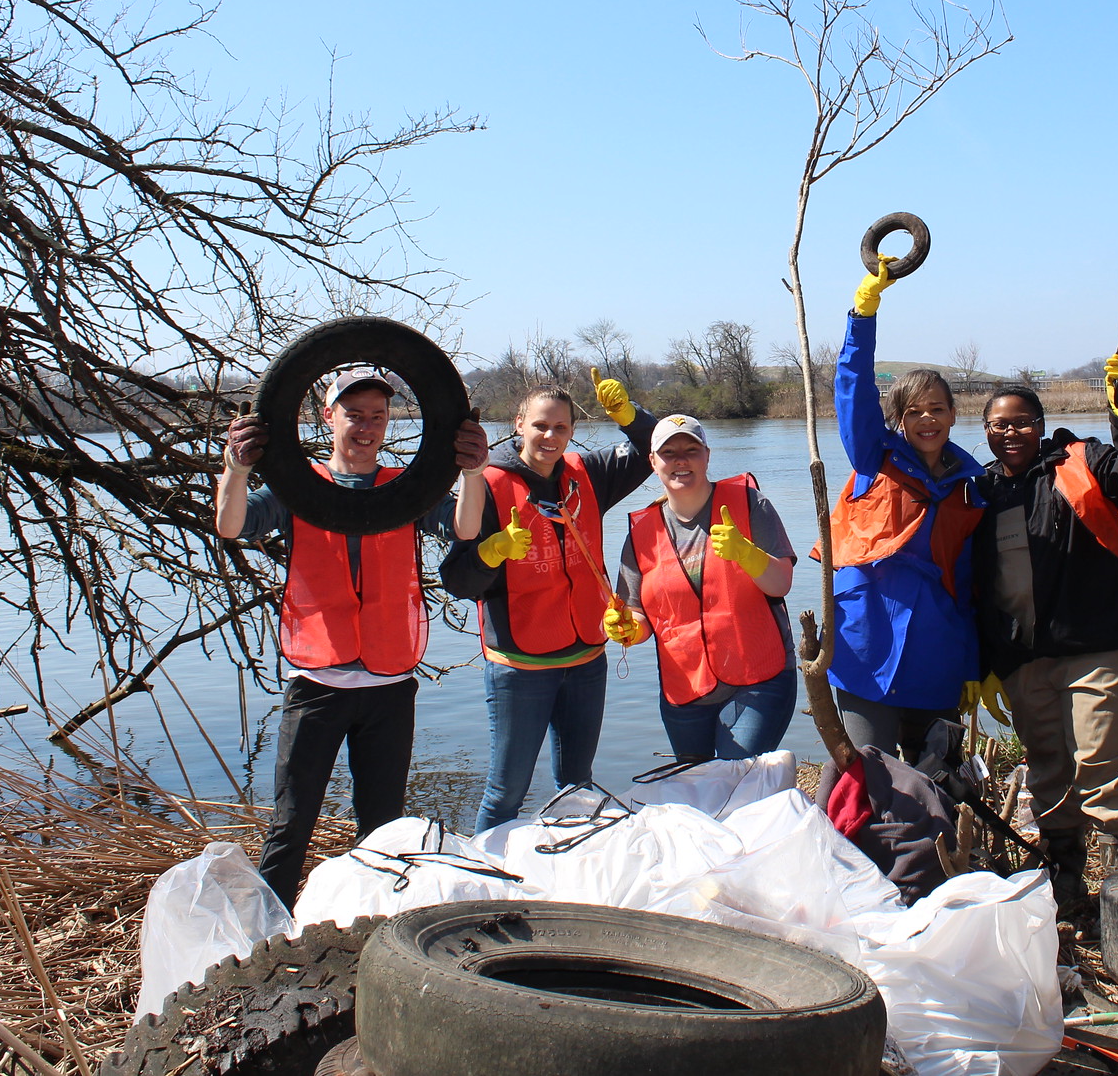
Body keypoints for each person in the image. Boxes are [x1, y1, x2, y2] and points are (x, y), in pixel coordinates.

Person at [216, 367, 485, 907]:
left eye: (378, 417)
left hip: (389, 683)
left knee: (383, 828)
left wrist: (474, 472)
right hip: (316, 681)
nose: (366, 427)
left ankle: (371, 928)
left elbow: (465, 528)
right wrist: (234, 469)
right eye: (354, 414)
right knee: (291, 825)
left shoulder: (406, 487)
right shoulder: (299, 484)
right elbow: (231, 525)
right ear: (326, 415)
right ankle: (268, 938)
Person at [970, 356, 1118, 903]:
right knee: (1048, 767)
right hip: (1024, 657)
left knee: (1103, 761)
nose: (1010, 432)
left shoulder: (1084, 461)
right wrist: (983, 663)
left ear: (1041, 424)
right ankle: (1065, 879)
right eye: (998, 425)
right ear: (985, 432)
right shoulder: (979, 492)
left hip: (1101, 644)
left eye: (1021, 422)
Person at [441, 371, 657, 831]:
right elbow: (457, 579)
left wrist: (629, 416)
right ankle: (489, 889)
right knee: (506, 794)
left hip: (586, 659)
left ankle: (565, 879)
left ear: (572, 432)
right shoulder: (487, 482)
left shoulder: (588, 475)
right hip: (520, 666)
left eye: (560, 428)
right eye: (540, 425)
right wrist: (492, 550)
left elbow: (652, 450)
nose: (550, 436)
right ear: (519, 423)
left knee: (578, 786)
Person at [822, 256, 986, 763]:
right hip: (862, 648)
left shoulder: (974, 488)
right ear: (899, 419)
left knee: (936, 784)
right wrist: (862, 315)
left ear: (955, 415)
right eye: (914, 411)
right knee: (867, 781)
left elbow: (971, 587)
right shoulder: (875, 459)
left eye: (937, 408)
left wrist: (974, 665)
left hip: (936, 658)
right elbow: (853, 391)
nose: (927, 419)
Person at [605, 413, 799, 762]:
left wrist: (748, 554)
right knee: (695, 792)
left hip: (758, 680)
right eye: (669, 452)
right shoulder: (641, 533)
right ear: (653, 462)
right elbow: (637, 611)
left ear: (707, 455)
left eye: (691, 450)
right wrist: (628, 629)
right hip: (685, 690)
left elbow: (781, 583)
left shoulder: (751, 505)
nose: (680, 460)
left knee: (734, 780)